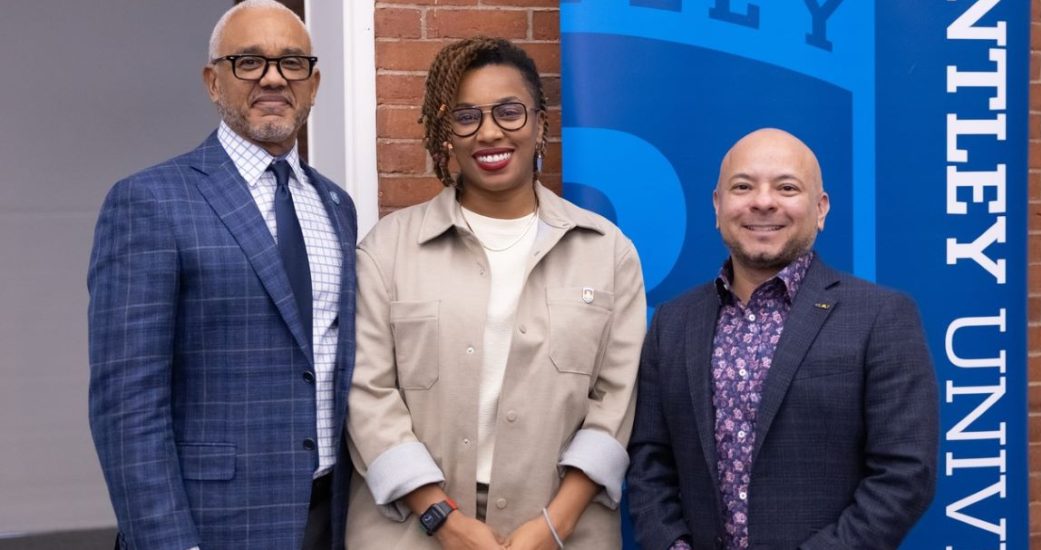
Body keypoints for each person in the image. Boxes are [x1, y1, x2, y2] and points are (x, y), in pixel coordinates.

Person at [345, 37, 647, 549]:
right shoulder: (386, 252)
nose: (489, 132)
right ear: (447, 133)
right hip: (411, 532)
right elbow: (367, 395)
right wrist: (443, 518)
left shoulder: (607, 252)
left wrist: (555, 525)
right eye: (466, 117)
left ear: (540, 122)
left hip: (564, 532)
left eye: (509, 112)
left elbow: (617, 401)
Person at [87, 1, 356, 548]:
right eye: (248, 62)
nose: (273, 78)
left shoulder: (336, 204)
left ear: (315, 82)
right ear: (214, 82)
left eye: (292, 63)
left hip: (332, 516)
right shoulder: (150, 201)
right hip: (210, 525)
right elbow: (126, 407)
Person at [627, 128, 938, 550]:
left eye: (787, 187)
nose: (763, 201)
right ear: (718, 206)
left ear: (821, 208)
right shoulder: (674, 322)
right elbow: (650, 460)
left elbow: (905, 475)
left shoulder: (881, 316)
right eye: (743, 186)